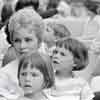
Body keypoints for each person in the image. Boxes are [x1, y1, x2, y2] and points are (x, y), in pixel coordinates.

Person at [0, 7, 45, 100]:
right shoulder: (4, 76)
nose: (22, 46)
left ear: (39, 41)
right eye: (17, 40)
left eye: (28, 40)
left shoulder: (50, 68)